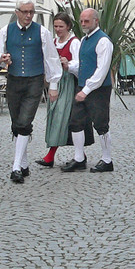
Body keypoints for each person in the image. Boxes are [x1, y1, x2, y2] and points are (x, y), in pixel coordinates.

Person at [0, 0, 63, 184]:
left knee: (24, 122)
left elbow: (51, 59)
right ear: (17, 12)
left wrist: (53, 85)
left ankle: (16, 167)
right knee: (16, 123)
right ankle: (23, 164)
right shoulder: (5, 31)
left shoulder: (42, 32)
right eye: (25, 12)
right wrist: (3, 59)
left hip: (34, 80)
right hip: (14, 80)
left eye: (31, 12)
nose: (29, 15)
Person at [60, 8, 115, 173]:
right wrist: (69, 66)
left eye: (87, 21)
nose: (83, 24)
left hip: (99, 89)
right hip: (83, 86)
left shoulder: (103, 41)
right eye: (81, 21)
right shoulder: (84, 40)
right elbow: (83, 65)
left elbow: (102, 70)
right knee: (75, 122)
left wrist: (87, 89)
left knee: (101, 124)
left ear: (96, 21)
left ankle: (107, 159)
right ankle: (79, 158)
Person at [36, 13, 88, 168]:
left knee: (61, 117)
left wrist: (68, 64)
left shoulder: (74, 42)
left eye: (61, 26)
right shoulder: (53, 42)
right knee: (55, 117)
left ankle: (52, 156)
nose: (58, 29)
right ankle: (76, 155)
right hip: (55, 82)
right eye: (56, 26)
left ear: (68, 26)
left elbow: (80, 64)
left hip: (68, 83)